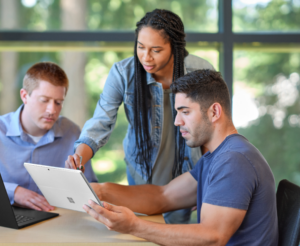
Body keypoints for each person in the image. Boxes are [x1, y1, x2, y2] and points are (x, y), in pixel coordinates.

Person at [83, 69, 279, 246]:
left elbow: (212, 237)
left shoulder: (234, 160)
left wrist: (133, 226)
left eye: (185, 112)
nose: (177, 122)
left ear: (214, 112)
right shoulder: (216, 157)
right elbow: (164, 196)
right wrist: (102, 191)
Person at [65, 9, 214, 223]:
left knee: (176, 235)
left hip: (187, 172)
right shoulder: (123, 73)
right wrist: (79, 158)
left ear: (175, 47)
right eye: (141, 47)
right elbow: (101, 122)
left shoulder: (201, 72)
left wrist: (202, 179)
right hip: (141, 171)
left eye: (156, 50)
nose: (146, 57)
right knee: (142, 233)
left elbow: (212, 131)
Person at [0, 62, 98, 212]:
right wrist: (14, 192)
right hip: (0, 221)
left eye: (58, 102)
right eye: (44, 100)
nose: (52, 110)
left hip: (55, 223)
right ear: (24, 96)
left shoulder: (72, 133)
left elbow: (91, 190)